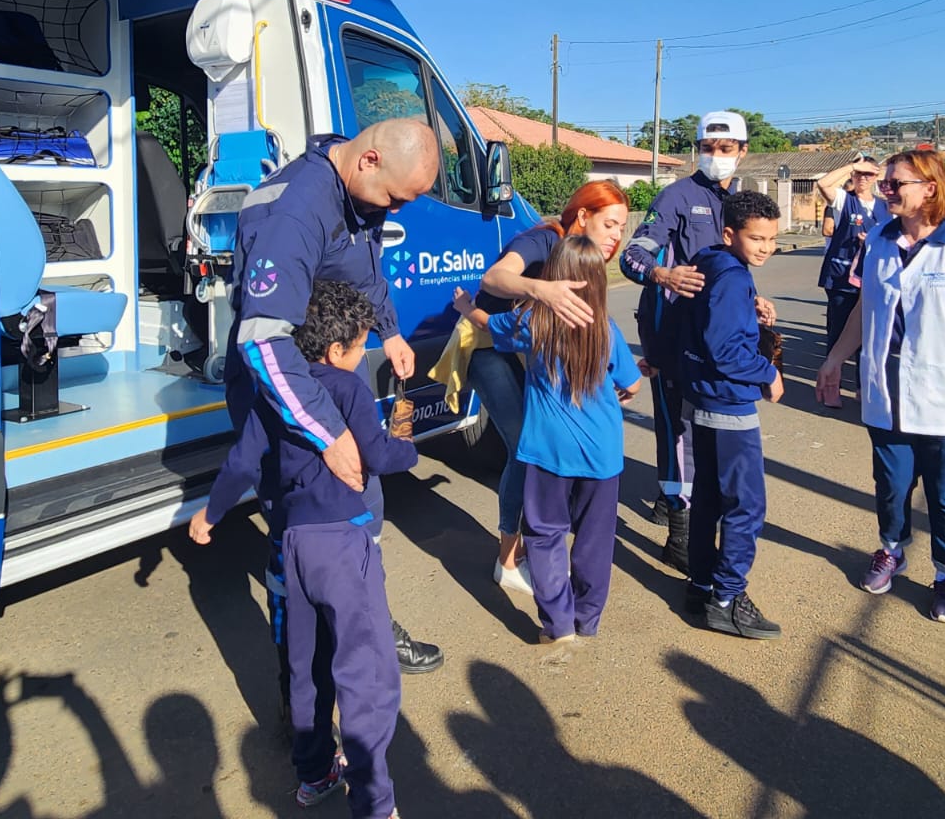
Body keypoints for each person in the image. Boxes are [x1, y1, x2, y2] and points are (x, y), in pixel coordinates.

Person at [225, 117, 444, 675]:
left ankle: (364, 623)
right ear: (370, 160)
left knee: (360, 509)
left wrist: (389, 330)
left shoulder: (358, 195)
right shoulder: (296, 211)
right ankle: (299, 675)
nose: (395, 211)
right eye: (396, 198)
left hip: (323, 383)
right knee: (296, 533)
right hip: (282, 393)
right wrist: (330, 436)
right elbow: (264, 342)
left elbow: (364, 275)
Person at [193, 282, 414, 819]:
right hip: (345, 544)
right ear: (338, 352)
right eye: (362, 347)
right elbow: (380, 456)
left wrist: (210, 514)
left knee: (306, 667)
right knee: (365, 673)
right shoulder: (347, 387)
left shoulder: (279, 393)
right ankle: (375, 802)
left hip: (293, 545)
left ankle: (314, 775)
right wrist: (406, 443)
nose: (362, 356)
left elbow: (242, 464)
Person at [817, 150, 945, 626]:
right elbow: (865, 306)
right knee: (892, 485)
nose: (887, 191)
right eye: (886, 184)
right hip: (886, 390)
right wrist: (835, 358)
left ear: (930, 188)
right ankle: (891, 550)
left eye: (896, 184)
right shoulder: (877, 238)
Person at [454, 236, 643, 642]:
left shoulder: (533, 322)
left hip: (547, 452)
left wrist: (466, 307)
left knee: (544, 536)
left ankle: (557, 625)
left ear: (554, 277)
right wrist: (618, 390)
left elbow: (486, 323)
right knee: (594, 541)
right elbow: (633, 384)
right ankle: (587, 620)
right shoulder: (606, 329)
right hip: (602, 455)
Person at [621, 110, 774, 572]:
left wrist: (752, 299)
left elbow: (729, 267)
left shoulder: (738, 200)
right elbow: (633, 256)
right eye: (708, 147)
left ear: (742, 152)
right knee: (676, 430)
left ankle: (678, 504)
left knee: (704, 431)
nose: (716, 156)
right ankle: (679, 532)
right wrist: (660, 272)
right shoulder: (676, 197)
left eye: (726, 149)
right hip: (671, 333)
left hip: (713, 336)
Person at [467, 181, 630, 595]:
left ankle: (543, 548)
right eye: (610, 224)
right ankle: (508, 558)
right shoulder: (543, 240)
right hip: (492, 347)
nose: (617, 236)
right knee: (527, 446)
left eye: (622, 228)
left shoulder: (583, 261)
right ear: (582, 217)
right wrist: (541, 289)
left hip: (528, 349)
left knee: (546, 444)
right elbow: (495, 276)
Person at [679, 191, 785, 639]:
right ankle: (726, 598)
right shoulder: (731, 278)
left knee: (707, 498)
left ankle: (701, 584)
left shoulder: (714, 264)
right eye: (756, 238)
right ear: (729, 233)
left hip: (704, 398)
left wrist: (754, 315)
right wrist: (768, 373)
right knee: (745, 506)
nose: (765, 247)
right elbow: (723, 349)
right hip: (729, 404)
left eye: (772, 239)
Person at [814, 155, 889, 403]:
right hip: (841, 277)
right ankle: (831, 389)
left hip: (872, 278)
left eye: (869, 174)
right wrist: (851, 166)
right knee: (838, 334)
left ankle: (861, 387)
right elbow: (824, 184)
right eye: (859, 174)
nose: (863, 179)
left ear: (876, 177)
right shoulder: (845, 200)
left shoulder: (885, 207)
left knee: (868, 337)